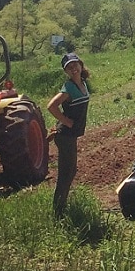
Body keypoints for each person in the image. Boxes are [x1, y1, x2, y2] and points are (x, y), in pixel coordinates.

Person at [47, 52, 90, 217]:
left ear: (80, 65)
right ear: (66, 71)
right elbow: (51, 106)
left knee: (71, 170)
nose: (73, 69)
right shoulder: (69, 87)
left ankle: (62, 205)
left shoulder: (83, 84)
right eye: (69, 67)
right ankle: (58, 212)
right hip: (65, 136)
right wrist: (66, 121)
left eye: (75, 65)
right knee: (66, 172)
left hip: (71, 135)